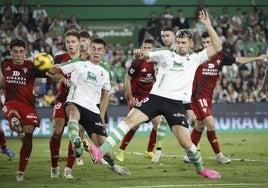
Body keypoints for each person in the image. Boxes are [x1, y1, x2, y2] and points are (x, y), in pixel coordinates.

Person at [89, 10, 222, 179]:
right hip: (155, 98)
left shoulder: (196, 58)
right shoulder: (166, 54)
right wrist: (140, 53)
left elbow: (218, 47)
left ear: (190, 44)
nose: (180, 45)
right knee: (129, 121)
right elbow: (148, 54)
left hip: (175, 104)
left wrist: (207, 25)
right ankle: (100, 152)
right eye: (179, 42)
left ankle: (200, 169)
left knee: (186, 143)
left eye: (183, 43)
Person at [184, 32, 268, 164]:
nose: (206, 45)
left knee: (200, 126)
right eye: (204, 43)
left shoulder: (221, 56)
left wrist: (257, 58)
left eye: (208, 42)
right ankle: (219, 156)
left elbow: (239, 60)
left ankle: (190, 154)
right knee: (210, 123)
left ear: (214, 43)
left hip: (208, 96)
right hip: (197, 96)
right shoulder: (197, 55)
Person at [50, 38, 130, 176]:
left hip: (93, 110)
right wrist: (58, 73)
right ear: (89, 49)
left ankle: (112, 165)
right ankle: (77, 143)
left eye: (100, 49)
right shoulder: (78, 63)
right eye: (93, 48)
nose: (96, 52)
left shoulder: (105, 72)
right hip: (74, 101)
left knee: (108, 152)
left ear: (104, 52)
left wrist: (101, 115)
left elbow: (105, 96)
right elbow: (54, 69)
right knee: (73, 116)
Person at [0, 39, 47, 181]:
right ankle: (14, 121)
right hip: (11, 103)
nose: (18, 55)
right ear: (10, 52)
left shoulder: (32, 66)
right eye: (15, 52)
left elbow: (50, 74)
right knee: (12, 114)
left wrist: (59, 74)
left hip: (27, 105)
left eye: (21, 52)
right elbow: (3, 82)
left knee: (28, 136)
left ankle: (20, 172)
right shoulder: (5, 64)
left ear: (26, 52)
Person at [151, 26, 197, 163]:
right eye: (163, 36)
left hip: (184, 94)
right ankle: (158, 151)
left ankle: (193, 150)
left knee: (194, 121)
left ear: (173, 37)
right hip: (169, 94)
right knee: (163, 122)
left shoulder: (189, 54)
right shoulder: (162, 53)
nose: (165, 38)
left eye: (167, 35)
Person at [116, 39, 162, 162]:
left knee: (158, 123)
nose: (146, 50)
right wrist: (131, 98)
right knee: (135, 125)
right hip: (135, 95)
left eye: (149, 48)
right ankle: (121, 149)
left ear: (153, 49)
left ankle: (149, 151)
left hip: (149, 96)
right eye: (144, 47)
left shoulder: (156, 62)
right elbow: (128, 79)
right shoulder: (137, 62)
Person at [49, 30, 81, 179]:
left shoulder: (84, 60)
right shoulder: (60, 57)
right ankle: (54, 165)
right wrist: (61, 76)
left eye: (73, 41)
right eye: (68, 42)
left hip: (78, 102)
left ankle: (68, 168)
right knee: (57, 131)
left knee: (74, 136)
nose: (70, 44)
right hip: (62, 99)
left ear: (80, 43)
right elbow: (50, 72)